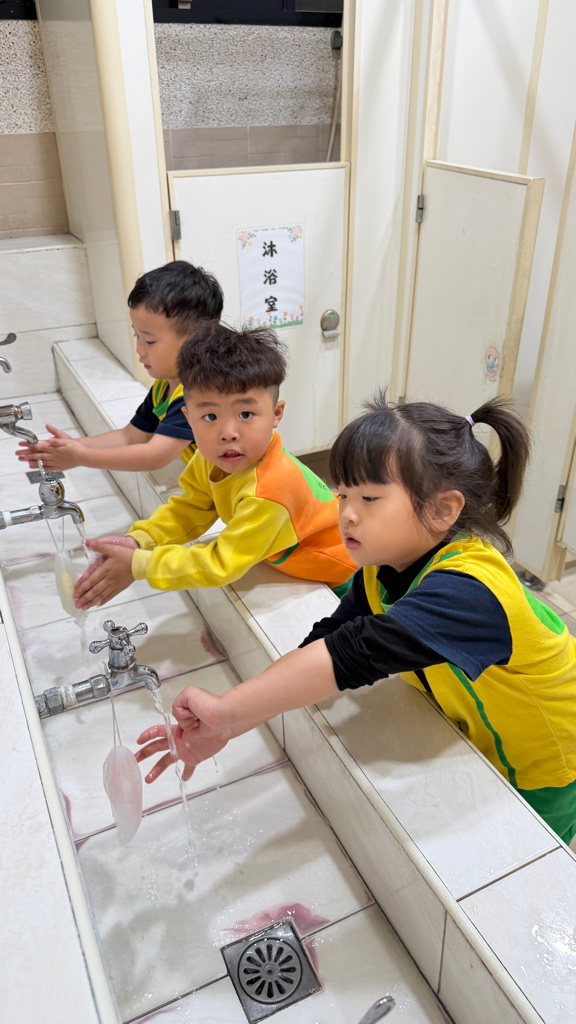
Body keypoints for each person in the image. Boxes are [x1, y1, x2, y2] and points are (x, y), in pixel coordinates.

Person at [134, 391, 576, 845]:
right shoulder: (382, 568)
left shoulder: (470, 591)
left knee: (530, 853)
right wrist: (232, 722)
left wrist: (226, 712)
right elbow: (329, 639)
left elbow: (352, 654)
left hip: (547, 762)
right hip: (483, 724)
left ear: (443, 509)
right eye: (343, 493)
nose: (346, 513)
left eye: (369, 497)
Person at [72, 322, 357, 610]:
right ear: (188, 418)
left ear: (276, 413)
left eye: (245, 414)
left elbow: (221, 564)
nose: (227, 433)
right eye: (210, 417)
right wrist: (139, 541)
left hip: (343, 572)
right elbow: (191, 509)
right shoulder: (209, 458)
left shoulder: (270, 493)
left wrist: (139, 565)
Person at [16, 260, 223, 473]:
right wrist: (73, 446)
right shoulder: (165, 387)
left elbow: (154, 456)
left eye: (149, 341)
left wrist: (81, 457)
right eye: (136, 335)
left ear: (195, 339)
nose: (139, 349)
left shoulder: (200, 393)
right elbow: (130, 436)